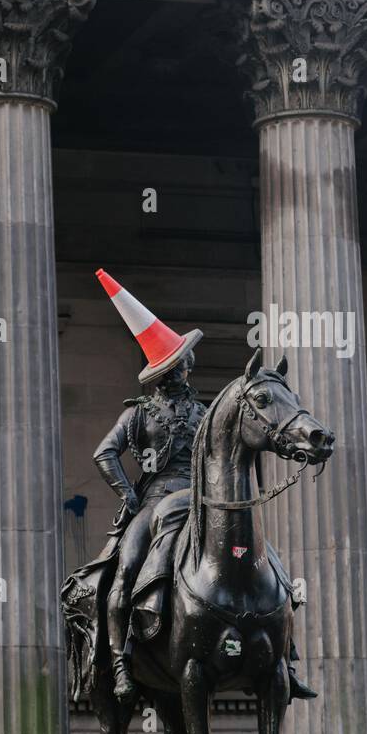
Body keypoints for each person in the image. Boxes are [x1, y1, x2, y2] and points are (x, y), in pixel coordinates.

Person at [91, 269, 314, 703]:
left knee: (270, 564)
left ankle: (285, 655)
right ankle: (121, 661)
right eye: (176, 363)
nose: (184, 368)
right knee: (124, 573)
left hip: (202, 502)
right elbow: (105, 453)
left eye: (185, 361)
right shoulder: (137, 416)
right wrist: (127, 493)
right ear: (161, 373)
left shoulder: (205, 413)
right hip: (155, 504)